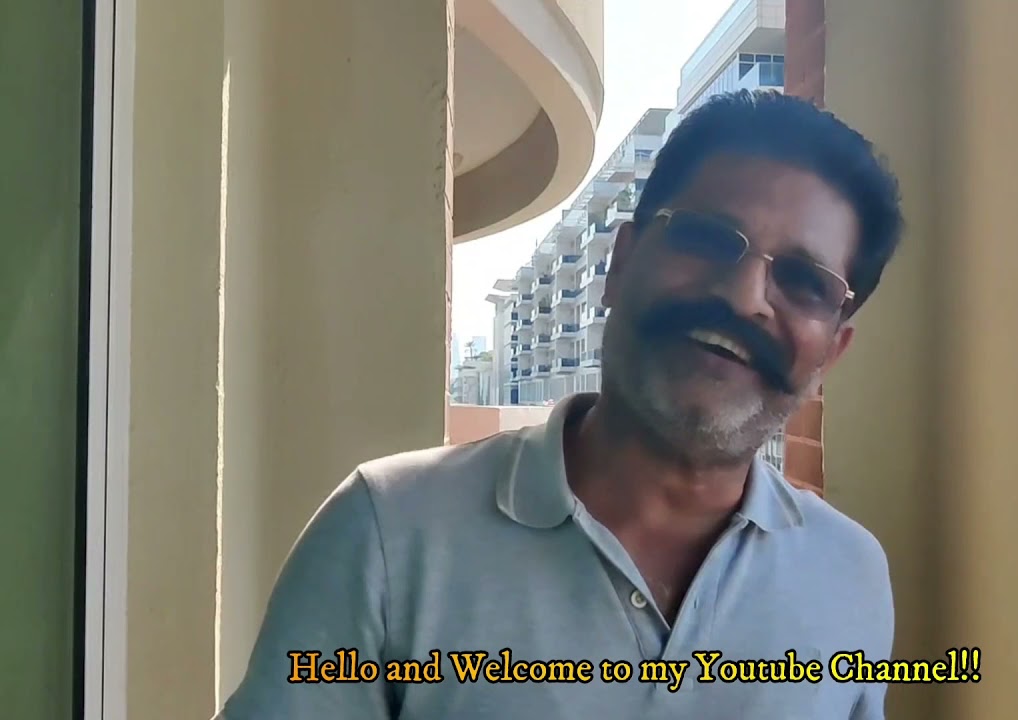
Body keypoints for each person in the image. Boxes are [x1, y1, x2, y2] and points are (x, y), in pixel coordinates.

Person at [214, 88, 904, 719]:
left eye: (804, 282)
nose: (743, 295)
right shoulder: (389, 532)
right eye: (706, 239)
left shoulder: (849, 574)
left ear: (830, 354)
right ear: (620, 263)